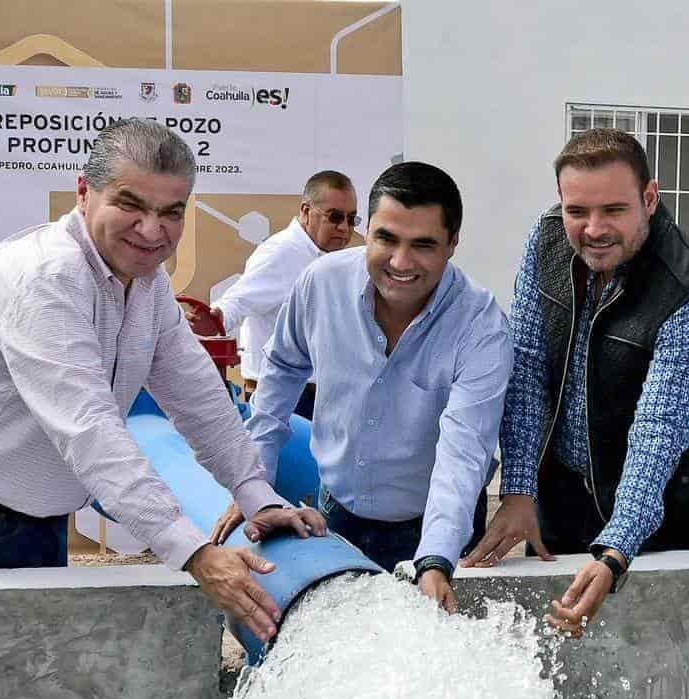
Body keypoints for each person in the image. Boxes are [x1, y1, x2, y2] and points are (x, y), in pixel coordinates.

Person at [0, 120, 325, 644]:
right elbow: (89, 430)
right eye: (131, 205)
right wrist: (195, 553)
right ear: (84, 192)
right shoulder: (45, 280)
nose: (152, 230)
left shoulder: (146, 281)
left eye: (171, 213)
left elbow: (199, 397)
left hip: (36, 524)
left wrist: (259, 498)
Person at [463, 128, 689, 636]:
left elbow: (658, 431)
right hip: (560, 499)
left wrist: (616, 550)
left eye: (614, 210)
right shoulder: (547, 239)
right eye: (577, 211)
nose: (593, 228)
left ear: (650, 199)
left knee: (657, 666)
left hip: (663, 516)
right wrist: (520, 489)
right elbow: (527, 364)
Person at [212, 162, 511, 614]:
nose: (400, 262)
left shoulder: (481, 326)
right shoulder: (320, 284)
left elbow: (464, 452)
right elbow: (278, 378)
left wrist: (435, 561)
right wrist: (254, 482)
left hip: (436, 527)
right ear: (366, 230)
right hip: (338, 514)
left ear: (452, 244)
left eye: (423, 245)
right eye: (386, 238)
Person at [209, 170, 359, 419]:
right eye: (334, 217)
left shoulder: (329, 258)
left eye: (351, 219)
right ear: (305, 211)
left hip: (318, 397)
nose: (344, 228)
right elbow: (236, 301)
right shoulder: (282, 253)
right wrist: (214, 319)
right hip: (283, 398)